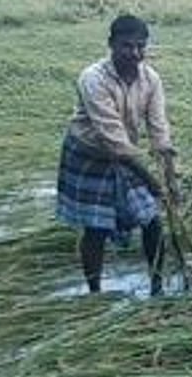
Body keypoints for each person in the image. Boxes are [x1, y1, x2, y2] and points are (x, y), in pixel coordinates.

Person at [56, 15, 179, 296]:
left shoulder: (151, 78)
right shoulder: (93, 79)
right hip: (91, 154)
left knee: (151, 221)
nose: (135, 54)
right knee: (96, 226)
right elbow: (113, 137)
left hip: (126, 154)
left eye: (140, 46)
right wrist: (152, 182)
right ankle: (94, 291)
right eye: (126, 46)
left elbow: (159, 129)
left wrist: (170, 177)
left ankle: (157, 285)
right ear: (111, 44)